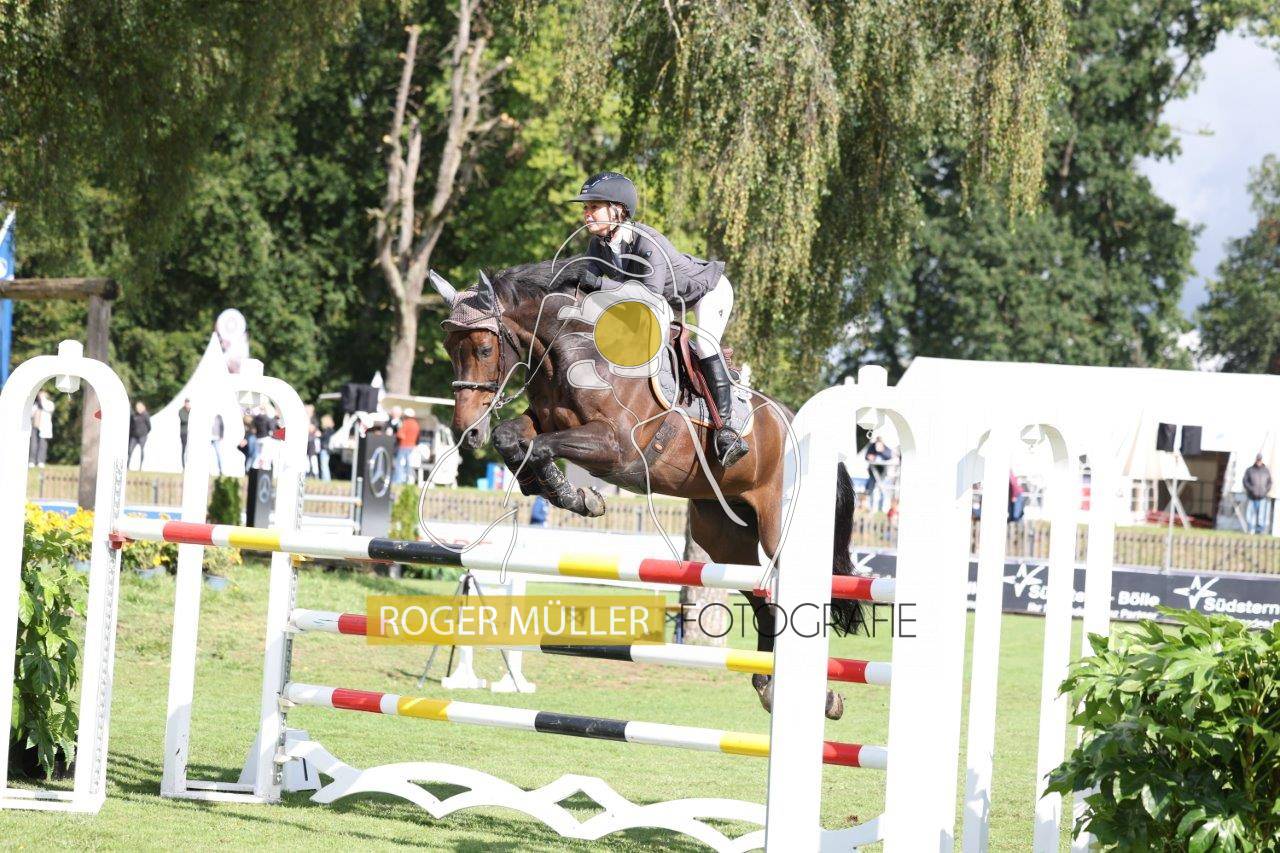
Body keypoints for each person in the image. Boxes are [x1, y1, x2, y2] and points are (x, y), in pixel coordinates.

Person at [568, 171, 748, 468]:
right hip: (671, 301)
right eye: (586, 208)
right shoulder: (597, 247)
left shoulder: (646, 240)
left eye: (594, 207)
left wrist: (599, 284)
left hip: (707, 291)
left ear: (618, 209)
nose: (587, 214)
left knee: (705, 345)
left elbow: (648, 296)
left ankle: (726, 429)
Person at [1243, 453, 1272, 535]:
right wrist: (1251, 489)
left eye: (1260, 460)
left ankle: (1260, 530)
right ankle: (1249, 529)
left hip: (1262, 496)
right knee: (1249, 514)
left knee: (1261, 515)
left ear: (1262, 460)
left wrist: (1265, 490)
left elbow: (1270, 482)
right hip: (1252, 496)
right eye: (1258, 460)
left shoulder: (1266, 470)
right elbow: (1245, 481)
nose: (1259, 461)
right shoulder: (1250, 470)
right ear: (1256, 460)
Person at [864, 436, 893, 513]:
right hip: (873, 472)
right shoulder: (872, 447)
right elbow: (866, 456)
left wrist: (881, 451)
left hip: (882, 473)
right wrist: (870, 457)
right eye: (876, 444)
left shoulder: (885, 448)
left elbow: (889, 456)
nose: (877, 445)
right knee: (871, 489)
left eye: (879, 444)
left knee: (882, 490)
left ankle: (881, 509)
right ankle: (870, 509)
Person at [29, 390, 54, 467]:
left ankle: (41, 461)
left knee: (43, 445)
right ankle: (32, 461)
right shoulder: (35, 405)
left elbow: (48, 408)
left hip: (44, 428)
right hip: (34, 426)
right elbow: (30, 414)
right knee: (33, 444)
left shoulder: (49, 404)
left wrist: (42, 400)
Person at [395, 408, 420, 484]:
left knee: (400, 464)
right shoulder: (416, 424)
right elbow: (418, 437)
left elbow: (400, 435)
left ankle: (399, 480)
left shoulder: (405, 423)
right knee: (409, 464)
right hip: (412, 446)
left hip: (403, 445)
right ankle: (409, 480)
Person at [128, 401, 151, 470]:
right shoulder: (134, 415)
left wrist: (144, 433)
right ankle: (127, 466)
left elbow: (149, 426)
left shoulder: (145, 415)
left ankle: (140, 467)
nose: (138, 408)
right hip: (134, 436)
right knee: (130, 450)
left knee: (142, 451)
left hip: (142, 436)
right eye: (137, 407)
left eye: (139, 407)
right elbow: (131, 425)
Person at [319, 414, 335, 481]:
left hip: (325, 449)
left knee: (324, 465)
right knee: (325, 465)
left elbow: (325, 439)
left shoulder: (327, 431)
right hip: (327, 450)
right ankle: (325, 479)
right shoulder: (331, 430)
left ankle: (326, 480)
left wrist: (320, 435)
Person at [178, 398, 191, 466]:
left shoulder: (191, 410)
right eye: (186, 403)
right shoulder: (181, 411)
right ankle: (184, 465)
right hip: (184, 432)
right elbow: (183, 420)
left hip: (190, 432)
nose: (187, 404)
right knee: (184, 448)